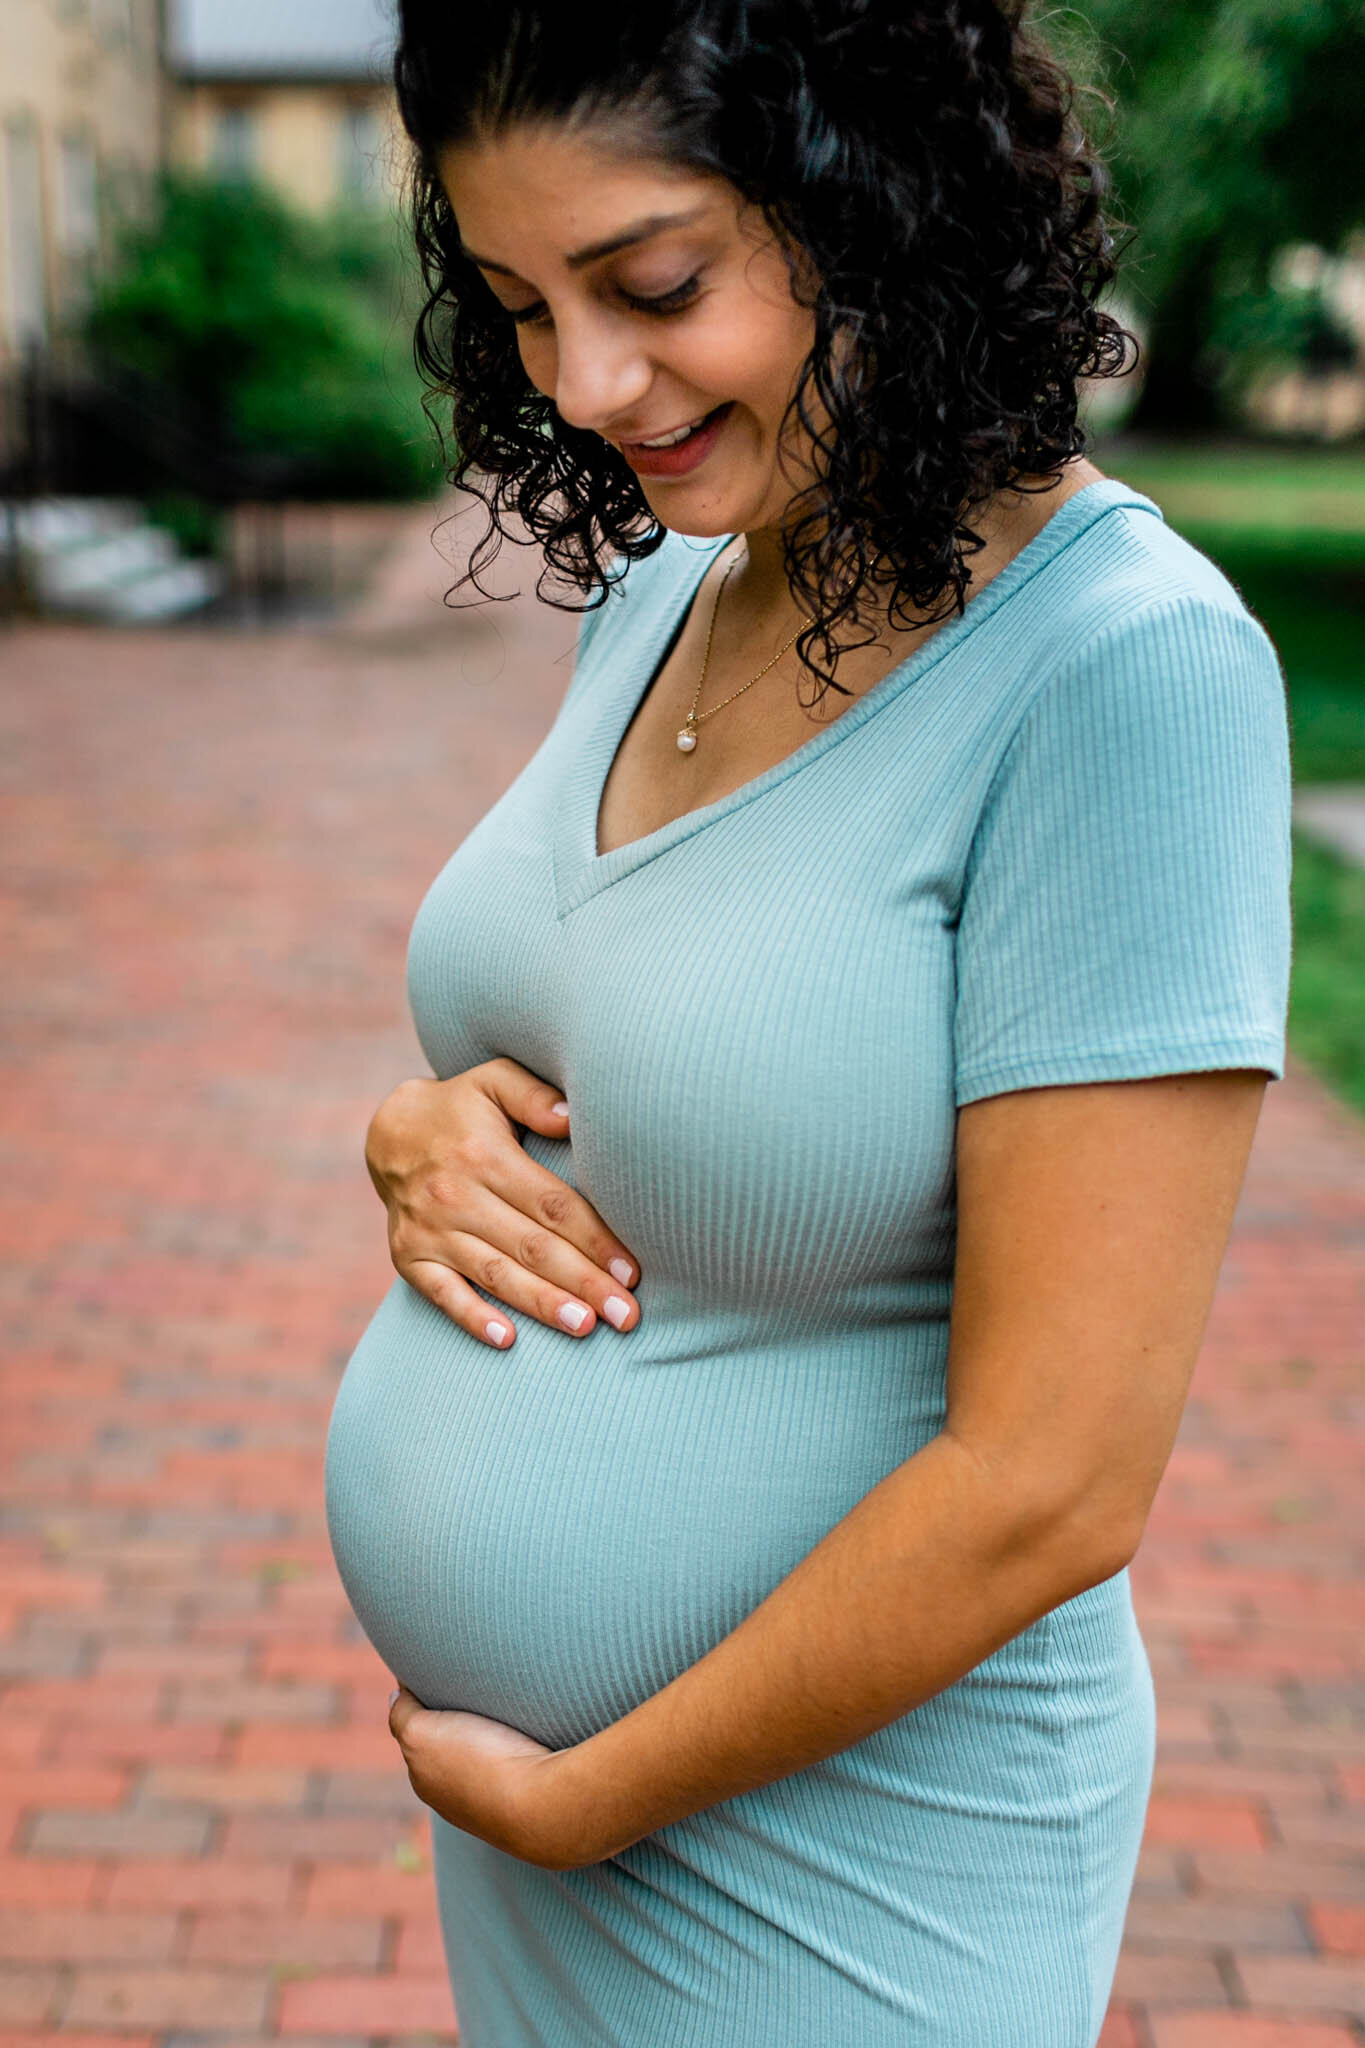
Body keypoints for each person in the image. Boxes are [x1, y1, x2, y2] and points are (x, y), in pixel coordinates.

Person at [323, 4, 1292, 2043]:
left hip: (843, 1873)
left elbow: (1049, 1477)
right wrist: (415, 1132)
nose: (586, 385)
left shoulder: (1124, 671)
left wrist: (595, 1793)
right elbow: (645, 1020)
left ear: (872, 201)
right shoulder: (675, 581)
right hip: (553, 1846)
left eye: (650, 284)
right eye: (515, 306)